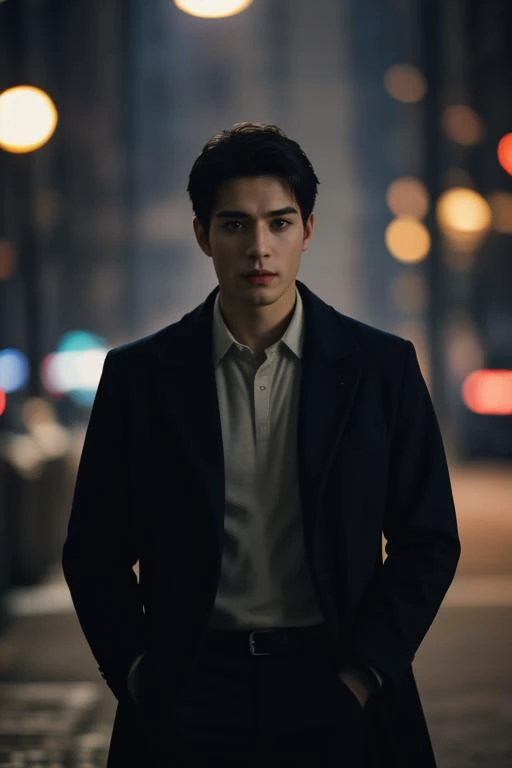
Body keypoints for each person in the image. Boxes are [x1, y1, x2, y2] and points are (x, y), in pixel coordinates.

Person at [62, 122, 460, 767]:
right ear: (202, 234)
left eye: (279, 223)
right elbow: (94, 548)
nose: (259, 250)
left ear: (307, 229)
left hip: (336, 678)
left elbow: (430, 537)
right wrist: (139, 674)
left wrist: (364, 675)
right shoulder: (140, 377)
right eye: (235, 225)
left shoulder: (380, 368)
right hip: (192, 685)